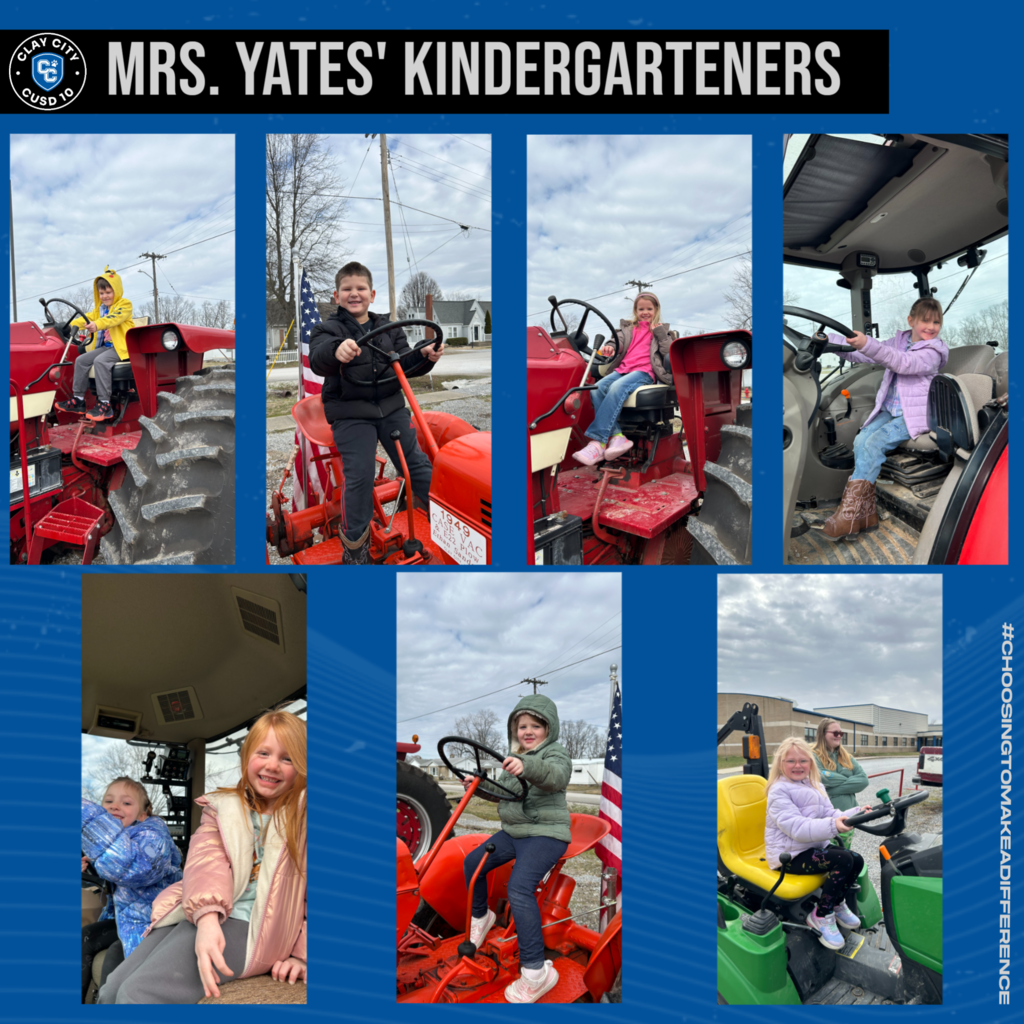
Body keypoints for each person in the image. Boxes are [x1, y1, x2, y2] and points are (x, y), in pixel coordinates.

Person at [98, 710, 307, 1004]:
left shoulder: (305, 821)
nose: (272, 765)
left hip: (257, 929)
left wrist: (303, 956)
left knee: (137, 994)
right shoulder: (222, 810)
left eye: (287, 758)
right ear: (247, 757)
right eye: (264, 753)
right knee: (111, 989)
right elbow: (206, 864)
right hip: (207, 912)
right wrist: (207, 919)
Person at [308, 261, 444, 564]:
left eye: (361, 288)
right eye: (347, 289)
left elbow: (405, 363)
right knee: (360, 473)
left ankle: (449, 521)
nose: (354, 294)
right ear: (336, 296)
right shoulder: (327, 329)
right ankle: (355, 547)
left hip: (391, 408)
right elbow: (318, 358)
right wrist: (337, 350)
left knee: (417, 464)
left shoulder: (389, 329)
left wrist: (425, 354)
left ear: (372, 294)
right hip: (351, 413)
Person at [461, 695, 572, 1003]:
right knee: (472, 863)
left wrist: (527, 766)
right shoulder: (514, 758)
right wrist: (478, 785)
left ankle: (537, 972)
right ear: (514, 730)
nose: (528, 731)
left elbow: (555, 777)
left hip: (546, 833)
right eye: (522, 726)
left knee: (519, 889)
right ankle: (481, 917)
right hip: (515, 832)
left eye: (536, 725)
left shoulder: (555, 753)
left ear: (549, 728)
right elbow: (504, 792)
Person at [821, 297, 949, 538]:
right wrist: (830, 340)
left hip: (916, 415)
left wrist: (868, 344)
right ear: (911, 320)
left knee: (875, 443)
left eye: (936, 322)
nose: (931, 327)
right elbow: (866, 354)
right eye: (925, 320)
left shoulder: (934, 351)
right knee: (861, 440)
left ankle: (850, 514)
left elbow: (903, 363)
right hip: (890, 410)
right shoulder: (899, 342)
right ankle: (866, 513)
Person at [764, 737, 871, 951]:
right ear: (781, 764)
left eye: (803, 761)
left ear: (811, 763)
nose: (798, 765)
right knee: (843, 859)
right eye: (791, 761)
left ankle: (836, 903)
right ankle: (820, 915)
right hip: (789, 855)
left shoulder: (815, 785)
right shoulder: (778, 791)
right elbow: (797, 828)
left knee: (856, 860)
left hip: (811, 848)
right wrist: (833, 825)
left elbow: (830, 813)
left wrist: (856, 813)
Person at [81, 777, 182, 1002]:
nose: (115, 806)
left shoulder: (154, 839)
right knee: (85, 936)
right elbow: (114, 871)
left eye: (126, 803)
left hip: (151, 924)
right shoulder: (118, 842)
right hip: (125, 920)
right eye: (108, 801)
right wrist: (93, 867)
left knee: (115, 955)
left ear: (142, 815)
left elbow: (137, 866)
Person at [572, 291, 677, 465]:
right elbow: (616, 341)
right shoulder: (627, 329)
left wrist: (659, 333)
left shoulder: (663, 331)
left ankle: (598, 442)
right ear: (636, 310)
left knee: (616, 388)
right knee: (596, 389)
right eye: (641, 309)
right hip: (623, 369)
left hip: (644, 371)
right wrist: (610, 347)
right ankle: (617, 436)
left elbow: (669, 352)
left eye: (649, 309)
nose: (645, 312)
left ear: (656, 310)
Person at [55, 267, 135, 423]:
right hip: (106, 347)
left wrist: (97, 325)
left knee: (100, 361)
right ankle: (79, 400)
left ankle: (105, 404)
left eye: (108, 292)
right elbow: (85, 319)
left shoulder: (125, 305)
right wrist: (68, 325)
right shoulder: (99, 310)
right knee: (81, 360)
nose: (105, 296)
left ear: (117, 291)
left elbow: (113, 319)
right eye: (101, 293)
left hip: (122, 347)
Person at [812, 720, 869, 850]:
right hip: (825, 820)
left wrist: (829, 790)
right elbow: (818, 777)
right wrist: (849, 780)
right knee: (826, 856)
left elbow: (863, 780)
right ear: (822, 733)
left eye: (841, 733)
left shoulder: (846, 757)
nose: (839, 736)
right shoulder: (813, 756)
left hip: (849, 818)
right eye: (835, 733)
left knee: (845, 853)